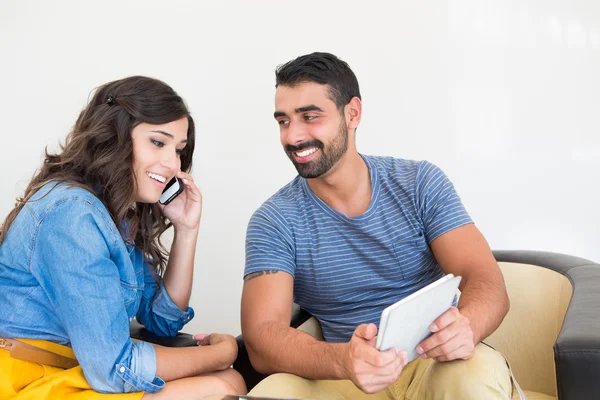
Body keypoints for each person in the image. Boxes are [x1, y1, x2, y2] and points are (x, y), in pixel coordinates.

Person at [241, 53, 513, 399]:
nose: (293, 136)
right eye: (283, 121)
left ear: (352, 113)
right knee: (273, 392)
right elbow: (262, 337)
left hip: (435, 363)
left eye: (310, 117)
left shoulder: (419, 183)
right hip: (346, 377)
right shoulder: (274, 221)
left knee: (474, 377)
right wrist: (343, 360)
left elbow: (486, 279)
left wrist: (467, 326)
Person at [0, 76, 246, 399]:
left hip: (74, 370)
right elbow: (114, 368)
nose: (173, 164)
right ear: (113, 137)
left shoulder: (114, 213)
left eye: (179, 150)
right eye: (158, 142)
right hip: (26, 379)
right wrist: (221, 353)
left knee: (229, 382)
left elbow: (160, 320)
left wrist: (187, 230)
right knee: (218, 388)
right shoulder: (73, 217)